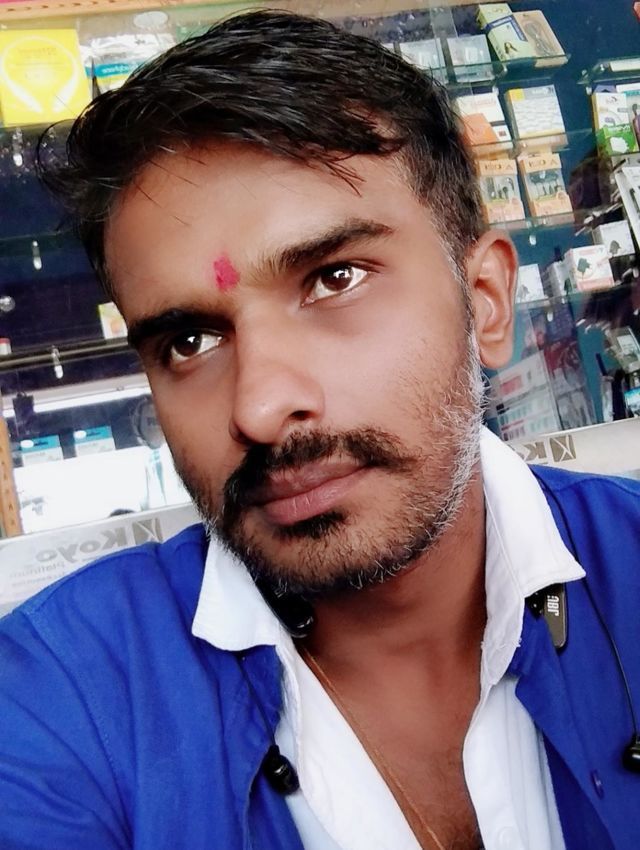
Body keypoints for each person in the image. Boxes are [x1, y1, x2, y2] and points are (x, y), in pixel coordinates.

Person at [1, 11, 640, 850]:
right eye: (188, 341)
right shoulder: (58, 700)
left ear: (484, 302)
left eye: (335, 279)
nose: (260, 407)